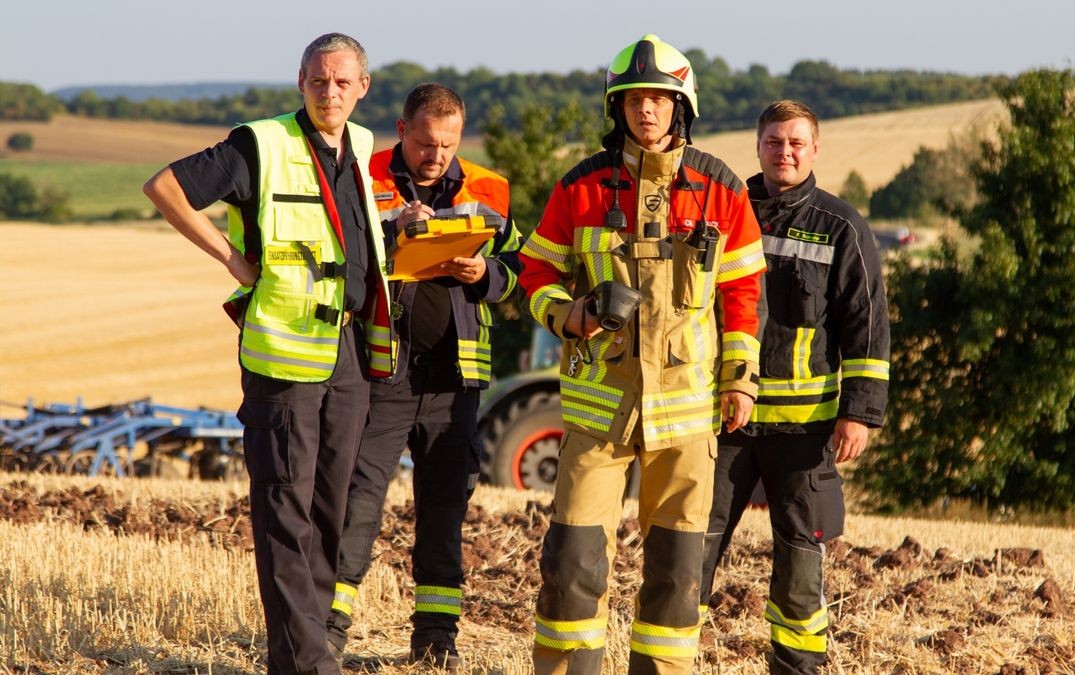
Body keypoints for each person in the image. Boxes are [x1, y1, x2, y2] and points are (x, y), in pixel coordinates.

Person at [143, 33, 394, 675]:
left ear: (363, 86)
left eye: (342, 81)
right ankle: (308, 663)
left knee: (328, 511)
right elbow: (165, 187)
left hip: (348, 351)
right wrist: (231, 259)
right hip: (282, 359)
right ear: (300, 83)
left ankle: (306, 651)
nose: (329, 92)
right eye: (317, 80)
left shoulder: (362, 147)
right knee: (286, 508)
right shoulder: (260, 144)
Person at [518, 34, 766, 674]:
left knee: (678, 569)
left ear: (680, 106)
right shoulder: (581, 186)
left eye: (658, 99)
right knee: (573, 558)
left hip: (686, 414)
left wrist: (740, 380)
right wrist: (568, 313)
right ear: (617, 108)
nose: (645, 111)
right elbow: (534, 272)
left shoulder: (720, 189)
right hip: (599, 408)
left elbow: (741, 294)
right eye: (632, 100)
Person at [324, 83, 522, 670]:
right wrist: (392, 234)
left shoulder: (489, 189)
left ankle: (436, 641)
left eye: (449, 143)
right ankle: (328, 631)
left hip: (455, 382)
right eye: (426, 142)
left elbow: (523, 270)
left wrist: (484, 272)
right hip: (381, 373)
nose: (437, 155)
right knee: (356, 504)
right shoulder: (362, 176)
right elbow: (340, 258)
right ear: (401, 128)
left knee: (444, 512)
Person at [698, 100, 890, 674]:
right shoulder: (723, 215)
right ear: (757, 147)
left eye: (796, 143)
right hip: (723, 419)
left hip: (804, 429)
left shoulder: (843, 227)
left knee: (802, 556)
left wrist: (858, 413)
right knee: (691, 544)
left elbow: (867, 325)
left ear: (814, 150)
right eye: (774, 142)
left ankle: (796, 667)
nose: (785, 152)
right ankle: (672, 659)